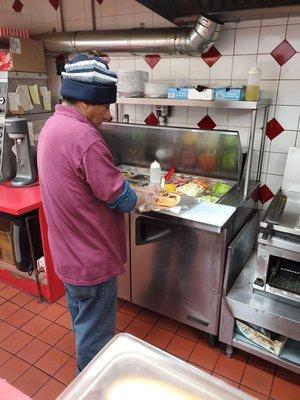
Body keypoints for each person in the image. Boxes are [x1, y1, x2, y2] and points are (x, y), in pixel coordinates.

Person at [37, 54, 139, 373]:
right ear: (86, 101)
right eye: (106, 106)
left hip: (67, 255)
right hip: (91, 259)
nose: (108, 115)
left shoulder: (52, 126)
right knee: (96, 343)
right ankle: (92, 387)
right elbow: (121, 198)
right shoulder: (85, 138)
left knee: (83, 323)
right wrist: (142, 195)